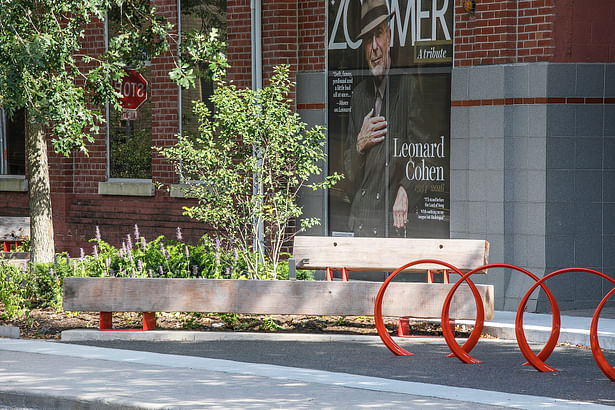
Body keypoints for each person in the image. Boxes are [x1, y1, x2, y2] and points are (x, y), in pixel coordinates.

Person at [344, 0, 426, 238]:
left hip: (393, 227)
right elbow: (349, 174)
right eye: (368, 40)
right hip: (362, 225)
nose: (374, 47)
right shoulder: (359, 96)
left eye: (378, 35)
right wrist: (360, 144)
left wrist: (406, 190)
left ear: (389, 37)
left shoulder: (409, 88)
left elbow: (428, 157)